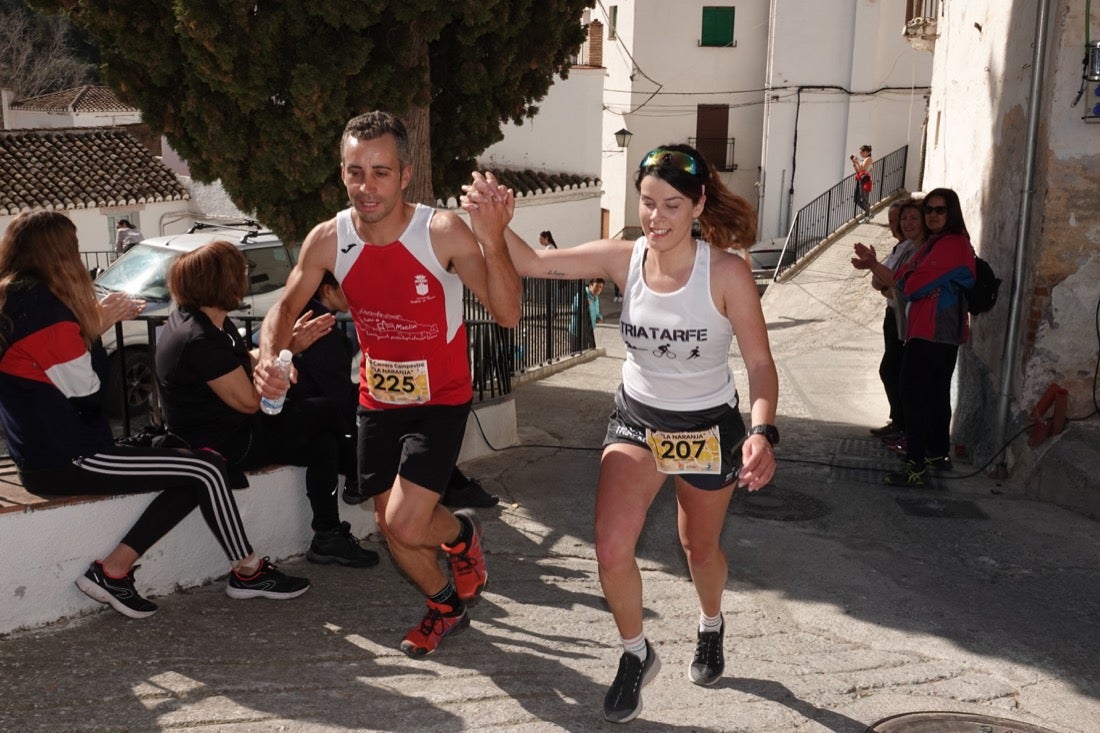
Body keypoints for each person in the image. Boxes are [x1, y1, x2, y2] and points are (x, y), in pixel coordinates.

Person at [463, 143, 778, 724]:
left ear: (699, 204)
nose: (656, 218)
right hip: (638, 420)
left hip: (708, 427)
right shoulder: (622, 257)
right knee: (610, 551)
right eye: (648, 203)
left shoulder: (727, 272)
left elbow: (759, 364)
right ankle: (636, 652)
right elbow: (532, 262)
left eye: (672, 205)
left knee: (698, 548)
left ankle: (710, 623)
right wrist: (495, 226)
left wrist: (761, 432)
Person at [255, 110, 521, 657]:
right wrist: (269, 357)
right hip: (377, 399)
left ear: (404, 175)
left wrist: (492, 241)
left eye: (380, 171)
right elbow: (283, 306)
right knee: (388, 523)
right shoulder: (329, 239)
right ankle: (447, 602)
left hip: (441, 399)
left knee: (403, 521)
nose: (366, 186)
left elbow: (508, 313)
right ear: (342, 172)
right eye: (355, 171)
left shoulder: (440, 231)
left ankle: (459, 541)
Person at [0, 210, 310, 619]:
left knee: (197, 470)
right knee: (208, 470)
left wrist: (90, 324)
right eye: (73, 248)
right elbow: (88, 394)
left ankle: (113, 571)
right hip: (68, 457)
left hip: (46, 454)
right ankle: (249, 570)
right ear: (57, 254)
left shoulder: (15, 302)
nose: (79, 257)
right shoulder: (44, 312)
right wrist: (96, 326)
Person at [154, 241, 379, 569]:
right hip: (224, 444)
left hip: (228, 430)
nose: (246, 277)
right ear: (221, 281)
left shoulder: (207, 321)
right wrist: (280, 374)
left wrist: (289, 345)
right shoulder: (199, 337)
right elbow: (248, 401)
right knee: (325, 413)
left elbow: (243, 361)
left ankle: (328, 533)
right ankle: (357, 478)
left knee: (322, 438)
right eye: (240, 272)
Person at [289, 271, 500, 509]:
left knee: (411, 419)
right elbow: (339, 397)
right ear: (328, 290)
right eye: (349, 286)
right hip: (332, 420)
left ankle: (457, 486)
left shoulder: (308, 316)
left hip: (328, 413)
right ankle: (456, 488)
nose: (358, 293)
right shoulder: (319, 327)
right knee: (409, 423)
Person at [852, 187, 975, 486]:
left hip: (936, 331)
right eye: (929, 210)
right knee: (933, 394)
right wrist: (874, 265)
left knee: (912, 393)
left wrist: (913, 281)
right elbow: (902, 279)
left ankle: (915, 465)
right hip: (926, 329)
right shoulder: (931, 245)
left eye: (939, 210)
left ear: (952, 213)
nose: (932, 215)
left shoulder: (953, 245)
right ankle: (935, 452)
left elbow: (912, 285)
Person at [856, 200, 928, 447]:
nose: (900, 223)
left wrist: (882, 275)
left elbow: (899, 284)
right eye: (898, 218)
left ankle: (907, 431)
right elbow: (880, 283)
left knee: (898, 373)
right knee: (894, 371)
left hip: (910, 319)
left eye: (909, 218)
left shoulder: (917, 249)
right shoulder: (902, 248)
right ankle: (901, 426)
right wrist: (884, 279)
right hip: (898, 316)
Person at [569, 277, 604, 350]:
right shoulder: (582, 295)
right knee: (576, 354)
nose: (598, 289)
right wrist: (583, 305)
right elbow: (573, 310)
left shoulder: (596, 298)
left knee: (585, 352)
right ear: (590, 285)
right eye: (596, 286)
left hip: (588, 331)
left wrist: (598, 317)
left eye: (600, 287)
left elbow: (596, 312)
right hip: (577, 332)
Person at [850, 145, 873, 222]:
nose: (861, 153)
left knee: (864, 199)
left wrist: (857, 162)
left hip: (865, 180)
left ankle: (867, 217)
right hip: (861, 179)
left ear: (867, 152)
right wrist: (854, 164)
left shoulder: (868, 159)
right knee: (857, 199)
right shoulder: (864, 160)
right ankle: (869, 212)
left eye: (862, 151)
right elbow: (858, 171)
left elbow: (862, 170)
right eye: (860, 151)